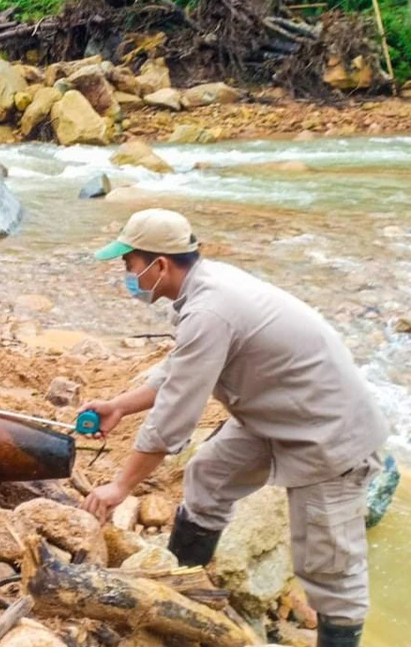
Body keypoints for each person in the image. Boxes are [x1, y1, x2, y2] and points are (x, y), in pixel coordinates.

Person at [80, 208, 389, 647]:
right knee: (209, 474)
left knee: (329, 566)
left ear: (160, 264)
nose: (127, 275)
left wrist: (120, 487)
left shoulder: (211, 308)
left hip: (328, 435)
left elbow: (172, 420)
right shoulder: (204, 291)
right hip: (275, 417)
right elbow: (183, 366)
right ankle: (181, 591)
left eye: (129, 264)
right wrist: (119, 405)